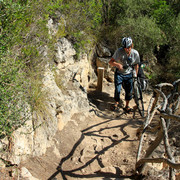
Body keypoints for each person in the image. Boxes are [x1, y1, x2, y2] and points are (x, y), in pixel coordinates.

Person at [109, 37, 140, 113]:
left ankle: (127, 106)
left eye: (128, 47)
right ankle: (116, 103)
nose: (127, 49)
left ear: (132, 45)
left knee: (129, 90)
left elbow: (136, 65)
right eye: (125, 48)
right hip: (119, 73)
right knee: (118, 89)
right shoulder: (119, 51)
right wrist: (117, 64)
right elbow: (111, 62)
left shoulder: (135, 53)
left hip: (129, 73)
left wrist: (135, 75)